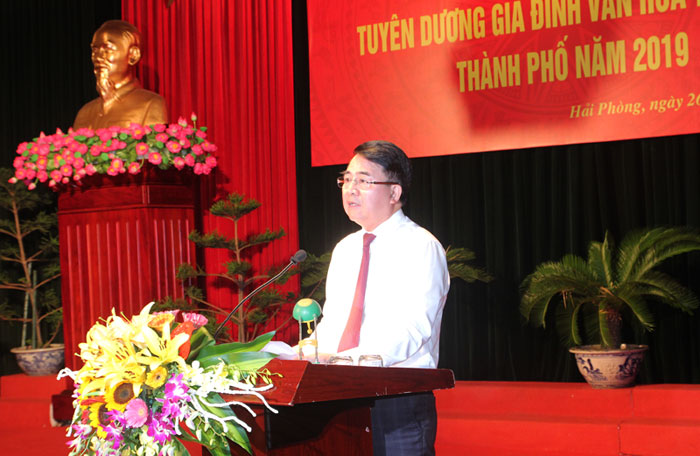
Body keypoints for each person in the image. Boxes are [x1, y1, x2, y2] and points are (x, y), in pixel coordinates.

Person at [313, 140, 450, 455]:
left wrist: (345, 362)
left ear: (394, 192)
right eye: (346, 179)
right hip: (340, 397)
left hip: (397, 400)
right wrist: (305, 354)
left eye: (363, 180)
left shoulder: (421, 247)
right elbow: (334, 323)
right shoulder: (345, 248)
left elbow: (413, 330)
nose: (350, 189)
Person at [73, 20, 167, 130]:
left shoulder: (151, 104)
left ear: (133, 55)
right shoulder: (84, 112)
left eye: (108, 49)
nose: (98, 57)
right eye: (95, 49)